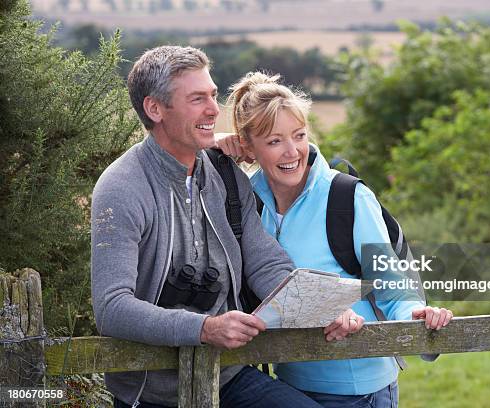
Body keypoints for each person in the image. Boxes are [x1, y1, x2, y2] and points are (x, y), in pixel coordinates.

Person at [90, 46, 363, 408]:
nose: (213, 110)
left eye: (213, 95)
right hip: (152, 391)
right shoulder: (122, 187)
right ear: (155, 109)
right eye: (197, 99)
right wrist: (204, 329)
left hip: (230, 374)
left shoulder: (225, 175)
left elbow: (267, 264)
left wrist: (323, 308)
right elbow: (112, 308)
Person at [216, 71, 453, 408]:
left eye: (298, 135)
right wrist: (215, 145)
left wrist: (414, 312)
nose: (291, 151)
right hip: (287, 386)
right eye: (274, 141)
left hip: (359, 389)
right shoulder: (247, 201)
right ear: (247, 146)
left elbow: (392, 286)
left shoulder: (348, 198)